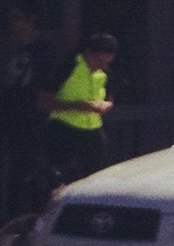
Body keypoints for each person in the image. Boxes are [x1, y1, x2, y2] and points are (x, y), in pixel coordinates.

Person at [0, 1, 61, 213]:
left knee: (29, 176)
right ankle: (8, 223)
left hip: (31, 123)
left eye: (18, 18)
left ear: (31, 20)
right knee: (5, 176)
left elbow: (46, 88)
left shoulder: (44, 52)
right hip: (5, 121)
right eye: (12, 19)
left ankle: (27, 220)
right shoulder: (5, 51)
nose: (13, 25)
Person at [41, 32, 117, 183]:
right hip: (65, 130)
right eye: (99, 61)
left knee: (97, 177)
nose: (102, 66)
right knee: (64, 179)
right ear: (88, 53)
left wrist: (105, 106)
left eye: (107, 62)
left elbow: (110, 98)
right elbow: (43, 101)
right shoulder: (69, 66)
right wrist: (78, 106)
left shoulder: (105, 72)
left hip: (93, 131)